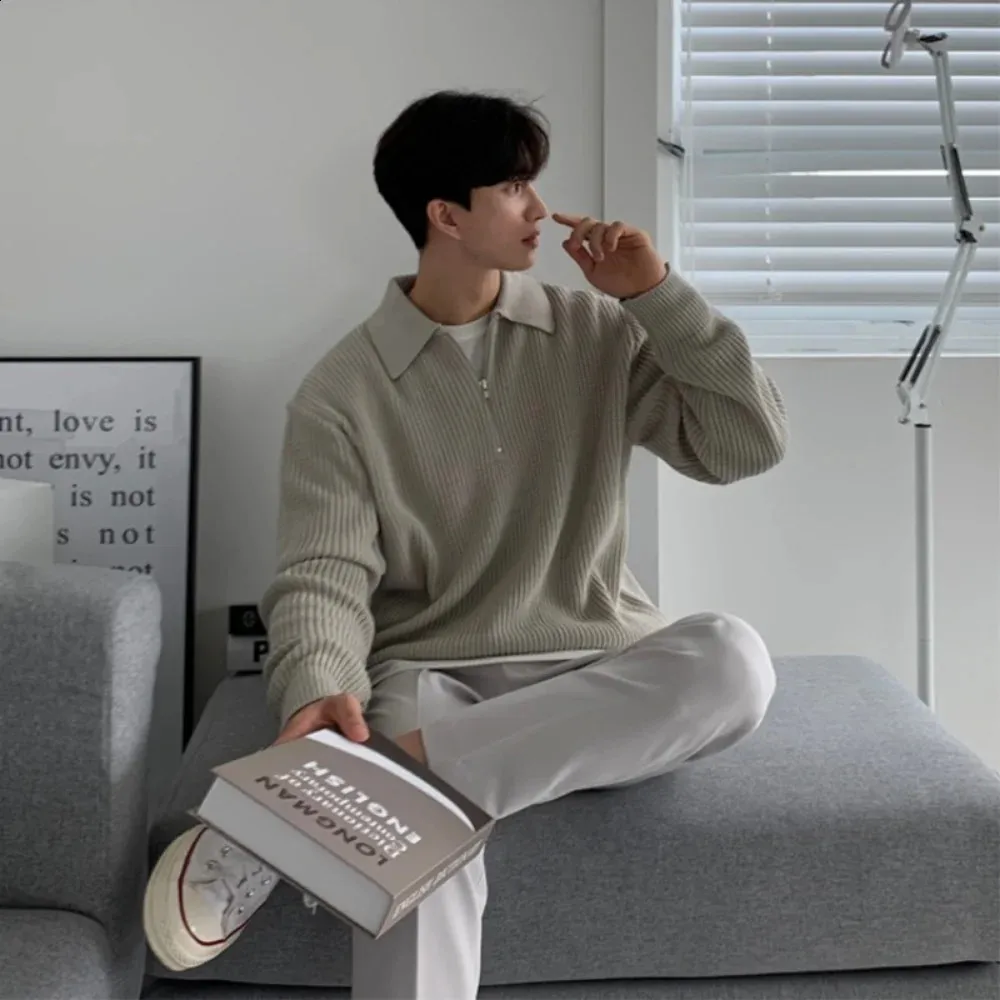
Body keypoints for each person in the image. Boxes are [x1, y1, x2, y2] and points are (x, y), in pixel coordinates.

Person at [143, 89, 789, 998]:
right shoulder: (343, 393)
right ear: (446, 216)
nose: (541, 209)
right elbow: (324, 573)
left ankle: (348, 792)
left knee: (733, 660)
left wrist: (657, 297)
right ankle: (376, 784)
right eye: (514, 187)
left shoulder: (597, 332)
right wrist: (320, 685)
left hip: (593, 659)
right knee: (416, 858)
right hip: (432, 678)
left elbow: (745, 446)